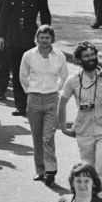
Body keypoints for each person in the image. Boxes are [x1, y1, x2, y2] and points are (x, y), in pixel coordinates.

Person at [59, 42, 102, 201]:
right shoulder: (73, 80)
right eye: (86, 56)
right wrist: (63, 127)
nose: (91, 59)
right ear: (79, 60)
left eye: (93, 55)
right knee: (89, 169)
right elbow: (62, 103)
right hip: (84, 131)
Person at [0, 0, 52, 117]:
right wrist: (0, 35)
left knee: (32, 74)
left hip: (30, 40)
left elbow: (45, 19)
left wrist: (46, 40)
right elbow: (4, 15)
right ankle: (20, 105)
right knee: (16, 73)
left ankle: (32, 105)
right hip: (14, 39)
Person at [21, 26, 69, 186]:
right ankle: (40, 170)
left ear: (52, 39)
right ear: (37, 38)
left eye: (47, 38)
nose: (44, 41)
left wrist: (55, 89)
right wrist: (30, 91)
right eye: (41, 38)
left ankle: (51, 170)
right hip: (34, 99)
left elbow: (64, 77)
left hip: (51, 99)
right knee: (37, 137)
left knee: (48, 136)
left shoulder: (59, 56)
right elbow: (23, 76)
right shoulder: (28, 56)